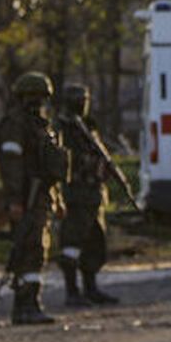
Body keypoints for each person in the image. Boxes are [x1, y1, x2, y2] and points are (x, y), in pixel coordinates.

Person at [0, 71, 68, 324]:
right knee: (27, 248)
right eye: (32, 96)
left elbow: (50, 166)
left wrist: (58, 199)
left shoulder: (44, 127)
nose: (37, 102)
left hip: (42, 197)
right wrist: (14, 198)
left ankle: (32, 302)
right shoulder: (14, 125)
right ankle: (24, 304)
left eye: (41, 97)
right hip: (26, 195)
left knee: (38, 248)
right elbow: (10, 164)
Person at [55, 84, 118, 307]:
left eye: (85, 99)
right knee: (72, 244)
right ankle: (72, 291)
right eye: (78, 99)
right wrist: (89, 164)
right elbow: (64, 161)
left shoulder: (87, 127)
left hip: (93, 195)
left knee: (95, 243)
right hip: (75, 195)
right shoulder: (62, 128)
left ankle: (91, 288)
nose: (83, 103)